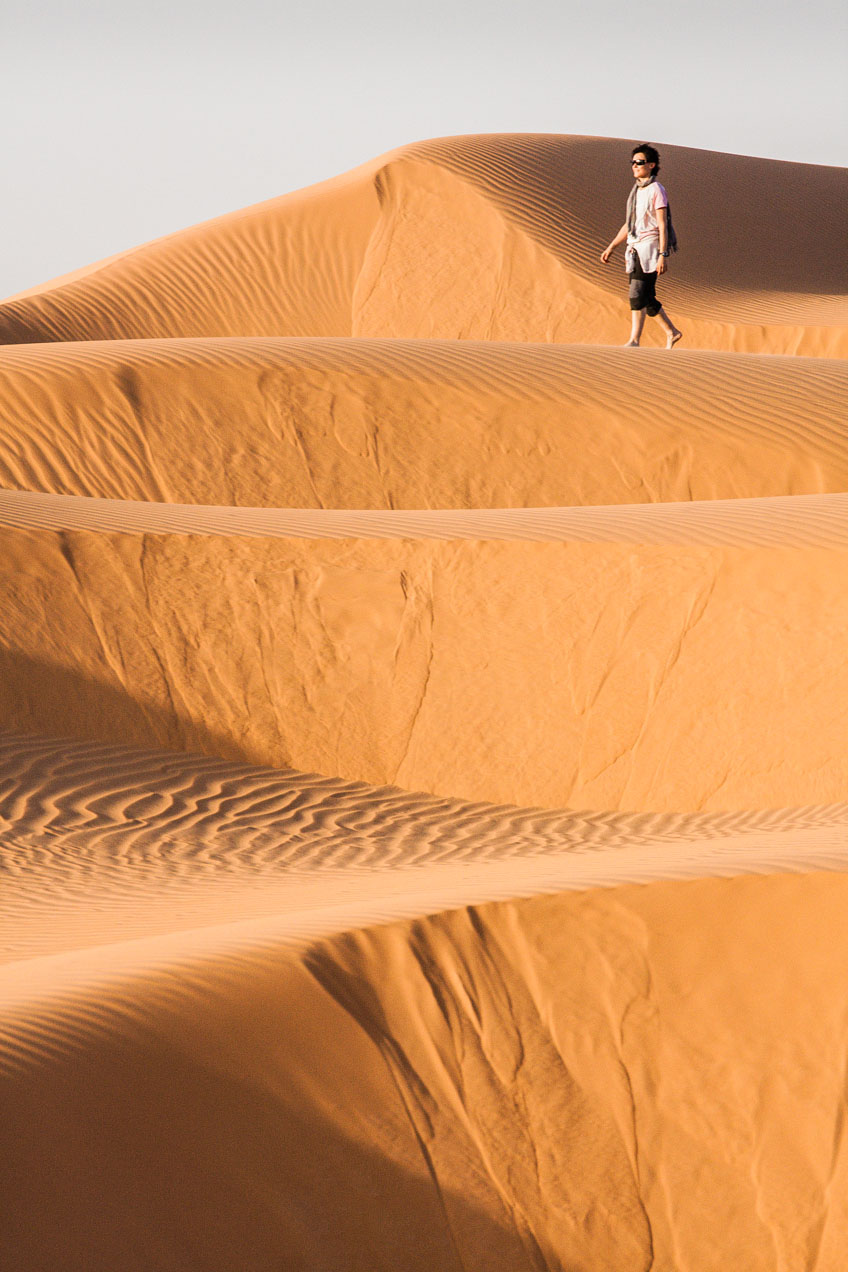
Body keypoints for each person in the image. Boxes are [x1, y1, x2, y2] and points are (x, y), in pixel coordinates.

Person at [601, 144, 683, 348]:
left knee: (637, 292)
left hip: (650, 248)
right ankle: (671, 332)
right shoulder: (637, 191)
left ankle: (634, 340)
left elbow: (663, 224)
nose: (635, 166)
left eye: (640, 162)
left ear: (651, 165)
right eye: (633, 162)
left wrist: (663, 255)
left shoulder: (657, 190)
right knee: (644, 295)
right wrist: (612, 246)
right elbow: (630, 224)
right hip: (634, 247)